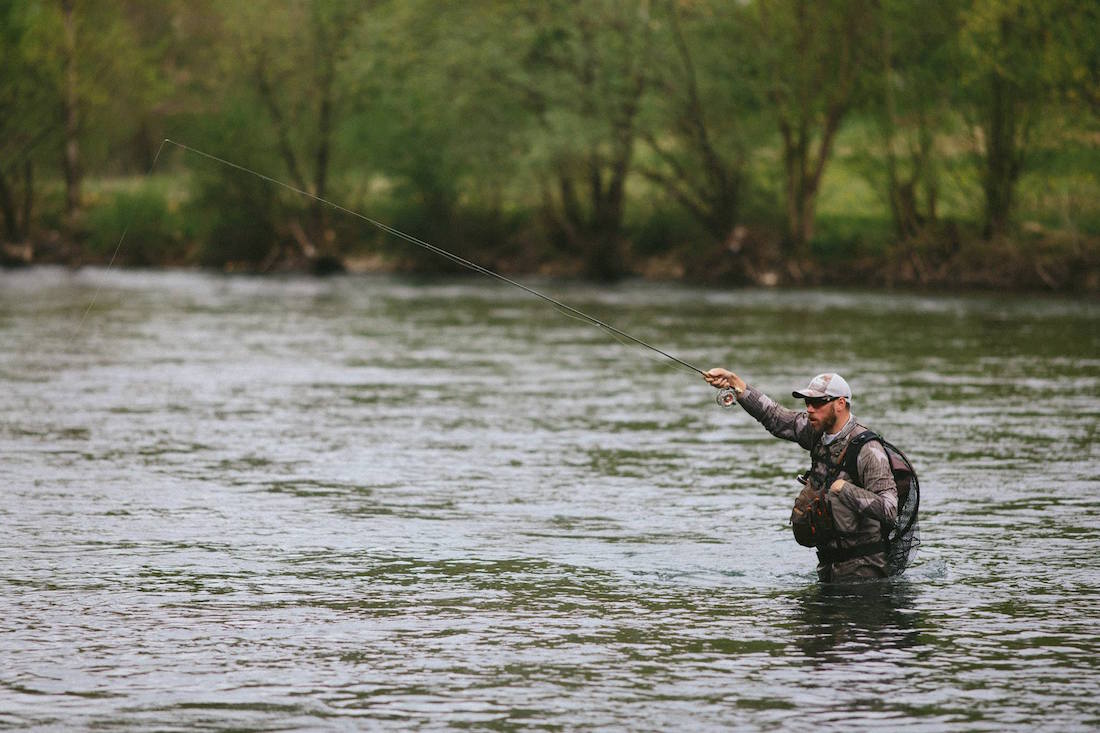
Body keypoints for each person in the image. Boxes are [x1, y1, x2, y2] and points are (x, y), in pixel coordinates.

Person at [703, 368, 898, 583]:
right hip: (829, 569)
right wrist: (735, 383)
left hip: (866, 577)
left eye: (818, 403)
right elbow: (774, 417)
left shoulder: (868, 450)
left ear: (840, 403)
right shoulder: (816, 431)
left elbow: (890, 510)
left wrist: (845, 490)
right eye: (807, 403)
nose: (810, 409)